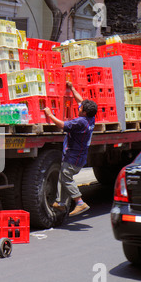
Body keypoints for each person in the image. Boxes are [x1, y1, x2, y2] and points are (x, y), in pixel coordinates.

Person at [44, 81, 98, 217]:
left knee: (66, 178)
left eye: (80, 109)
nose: (78, 108)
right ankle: (61, 203)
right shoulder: (91, 118)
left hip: (73, 157)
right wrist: (72, 88)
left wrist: (49, 115)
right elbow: (81, 101)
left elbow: (62, 125)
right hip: (79, 157)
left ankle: (79, 202)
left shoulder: (80, 122)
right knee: (63, 177)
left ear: (84, 112)